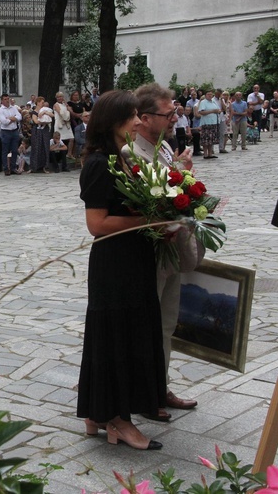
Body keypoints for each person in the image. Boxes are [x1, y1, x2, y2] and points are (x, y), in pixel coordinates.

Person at [77, 89, 165, 451]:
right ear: (112, 121)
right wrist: (148, 219)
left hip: (135, 259)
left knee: (130, 334)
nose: (138, 121)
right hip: (114, 265)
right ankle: (118, 420)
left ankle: (101, 414)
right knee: (116, 337)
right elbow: (96, 224)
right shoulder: (99, 164)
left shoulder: (125, 157)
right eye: (131, 116)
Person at [120, 83, 200, 422]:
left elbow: (173, 183)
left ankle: (161, 386)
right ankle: (143, 393)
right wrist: (179, 176)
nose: (173, 119)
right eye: (168, 114)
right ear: (146, 116)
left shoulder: (164, 146)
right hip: (150, 249)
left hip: (174, 246)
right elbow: (149, 195)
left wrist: (182, 172)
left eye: (174, 113)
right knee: (145, 326)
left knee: (166, 324)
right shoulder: (130, 153)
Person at [0, 93, 21, 175]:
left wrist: (10, 118)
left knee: (14, 150)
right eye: (5, 99)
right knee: (5, 151)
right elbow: (4, 122)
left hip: (14, 131)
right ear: (2, 101)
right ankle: (6, 168)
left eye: (8, 99)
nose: (7, 101)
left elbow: (19, 117)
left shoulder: (13, 108)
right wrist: (13, 119)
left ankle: (13, 167)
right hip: (6, 132)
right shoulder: (1, 110)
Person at [197, 90, 221, 159]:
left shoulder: (213, 101)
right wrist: (212, 111)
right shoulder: (203, 102)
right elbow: (201, 112)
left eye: (211, 94)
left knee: (211, 139)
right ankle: (205, 154)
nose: (210, 96)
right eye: (208, 94)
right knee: (206, 139)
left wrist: (218, 111)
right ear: (205, 95)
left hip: (214, 122)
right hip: (206, 123)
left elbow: (218, 109)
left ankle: (210, 153)